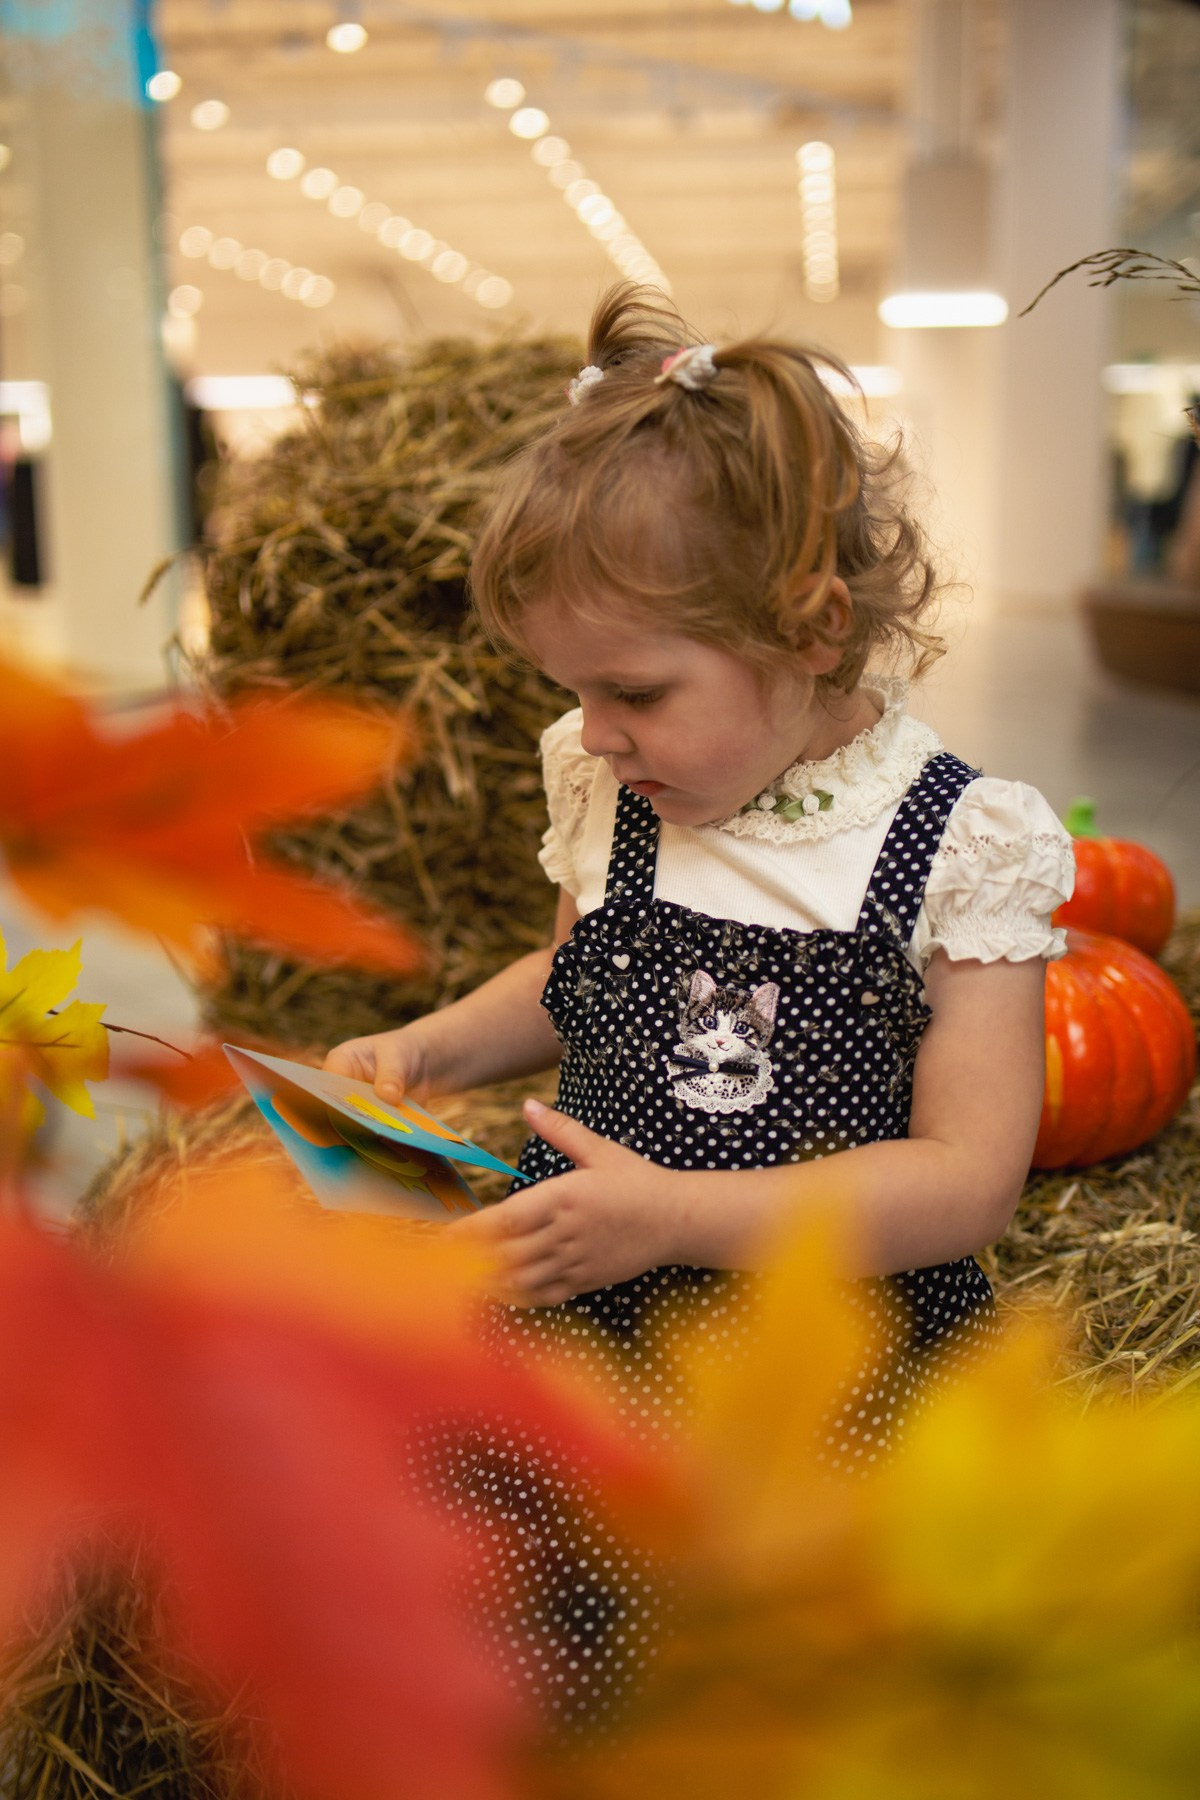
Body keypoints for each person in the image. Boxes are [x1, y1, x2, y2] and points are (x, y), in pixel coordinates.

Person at [324, 283, 1074, 1728]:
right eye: (572, 691)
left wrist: (673, 1216)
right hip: (583, 1304)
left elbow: (969, 1179)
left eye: (637, 691)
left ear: (811, 627)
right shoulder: (614, 781)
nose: (597, 732)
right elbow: (583, 977)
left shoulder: (964, 840)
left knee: (758, 1666)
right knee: (527, 1628)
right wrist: (430, 1045)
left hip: (814, 1349)